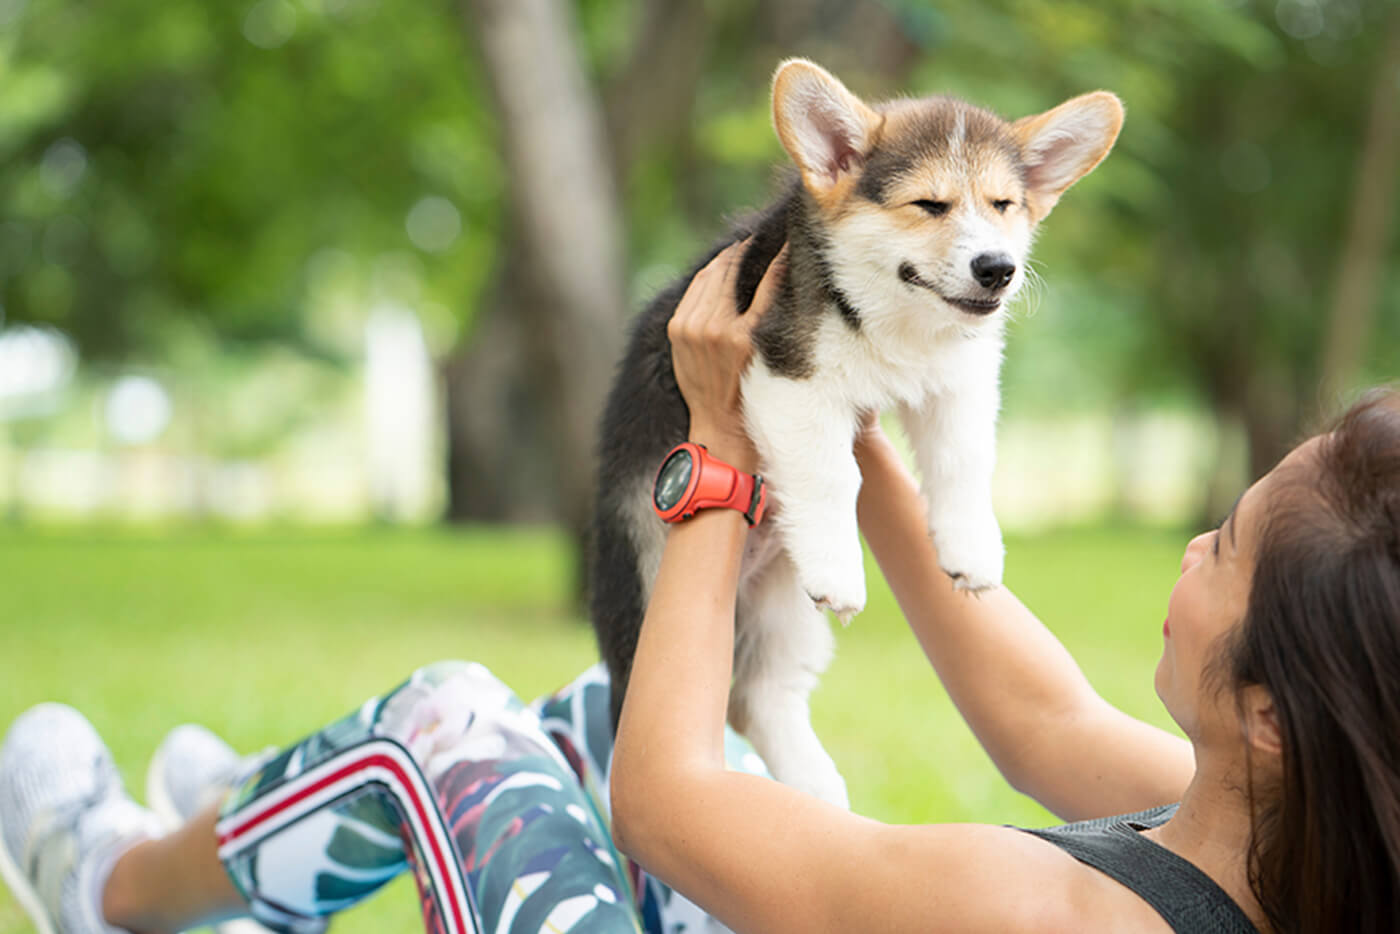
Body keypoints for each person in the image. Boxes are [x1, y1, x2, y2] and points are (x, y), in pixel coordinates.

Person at [3, 241, 1398, 934]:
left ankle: (109, 885)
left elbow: (665, 808)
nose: (1190, 549)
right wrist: (832, 404)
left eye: (1224, 546)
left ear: (1273, 714)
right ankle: (260, 818)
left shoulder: (1032, 910)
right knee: (589, 715)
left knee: (449, 725)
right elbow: (1041, 717)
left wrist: (721, 449)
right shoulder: (1299, 846)